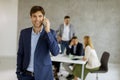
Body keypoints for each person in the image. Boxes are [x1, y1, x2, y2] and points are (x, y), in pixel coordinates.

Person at [16, 6, 59, 80]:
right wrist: (18, 72)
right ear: (31, 17)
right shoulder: (24, 33)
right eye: (34, 16)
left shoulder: (50, 32)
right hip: (26, 75)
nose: (37, 19)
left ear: (44, 18)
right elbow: (20, 54)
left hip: (44, 75)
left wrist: (47, 31)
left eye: (40, 16)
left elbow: (55, 52)